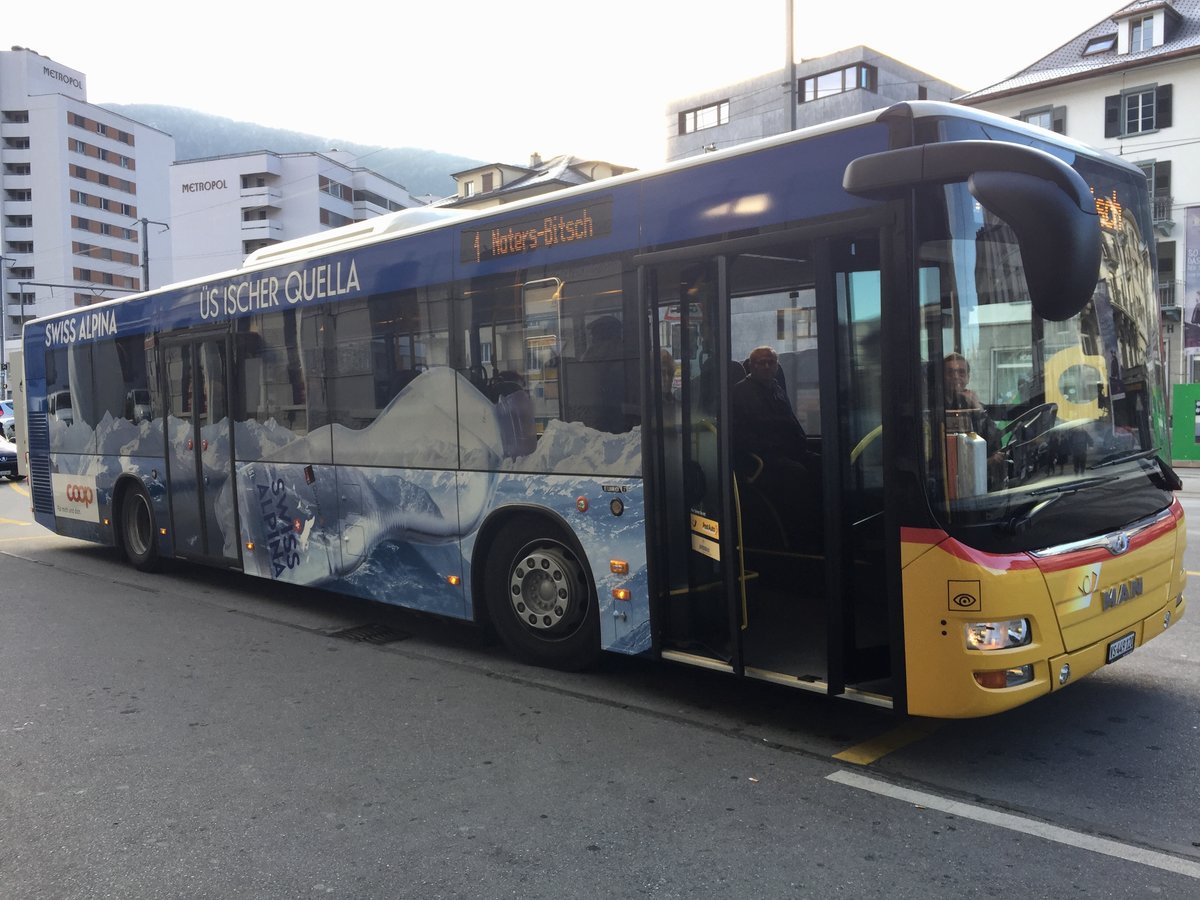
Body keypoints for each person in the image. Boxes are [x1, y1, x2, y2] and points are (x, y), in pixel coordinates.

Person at [944, 353, 1005, 484]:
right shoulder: (935, 407)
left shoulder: (972, 402)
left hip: (977, 472)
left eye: (961, 372)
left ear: (968, 378)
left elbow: (995, 441)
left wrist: (978, 409)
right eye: (950, 372)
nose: (956, 377)